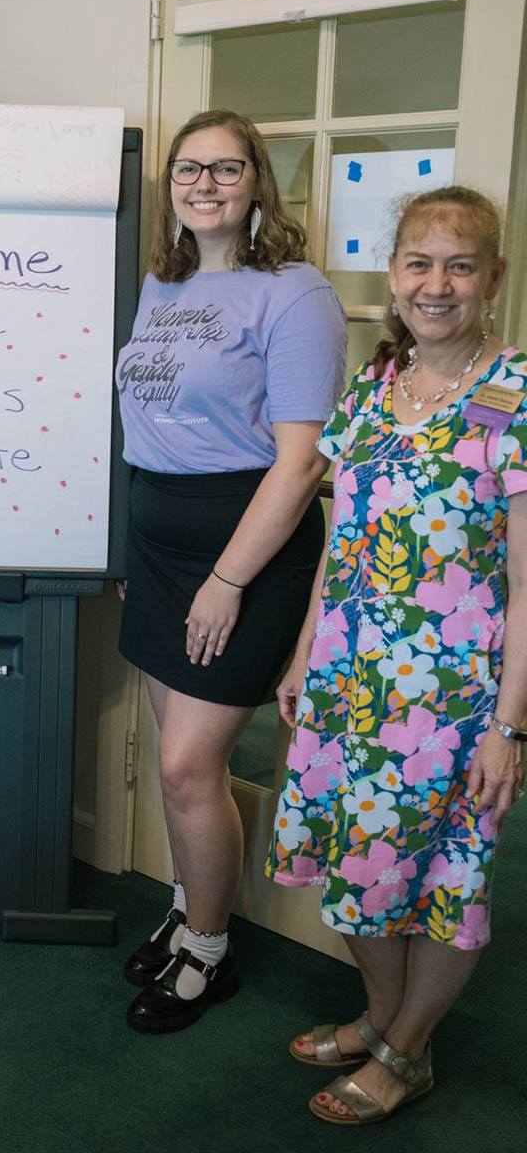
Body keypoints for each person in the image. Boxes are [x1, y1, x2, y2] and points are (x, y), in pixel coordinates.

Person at [267, 186, 522, 1123]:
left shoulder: (521, 395)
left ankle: (406, 1053)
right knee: (355, 863)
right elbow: (343, 542)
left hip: (453, 701)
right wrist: (302, 658)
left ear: (492, 279)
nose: (437, 284)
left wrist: (510, 726)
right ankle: (383, 1020)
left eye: (460, 265)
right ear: (394, 275)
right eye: (420, 262)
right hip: (347, 677)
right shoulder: (372, 394)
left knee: (444, 880)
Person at [114, 109, 346, 1033]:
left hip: (243, 543)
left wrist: (228, 579)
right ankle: (186, 909)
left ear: (257, 181)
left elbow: (302, 462)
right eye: (187, 169)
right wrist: (135, 550)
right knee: (185, 773)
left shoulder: (294, 293)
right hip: (159, 545)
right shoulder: (158, 285)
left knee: (183, 768)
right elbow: (148, 428)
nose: (203, 184)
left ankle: (210, 954)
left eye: (225, 168)